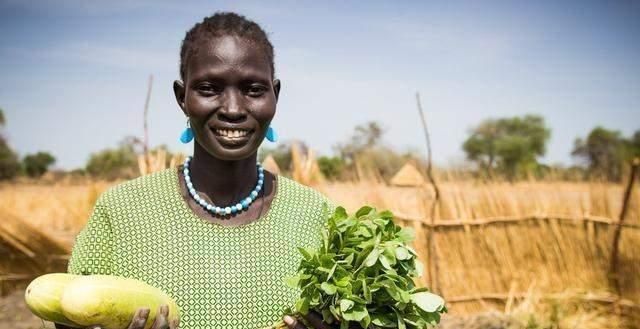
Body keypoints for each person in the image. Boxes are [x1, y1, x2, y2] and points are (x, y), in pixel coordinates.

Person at [56, 12, 338, 329]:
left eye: (253, 89)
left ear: (275, 95)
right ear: (182, 98)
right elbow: (67, 316)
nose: (232, 109)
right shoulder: (122, 212)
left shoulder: (319, 217)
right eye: (209, 88)